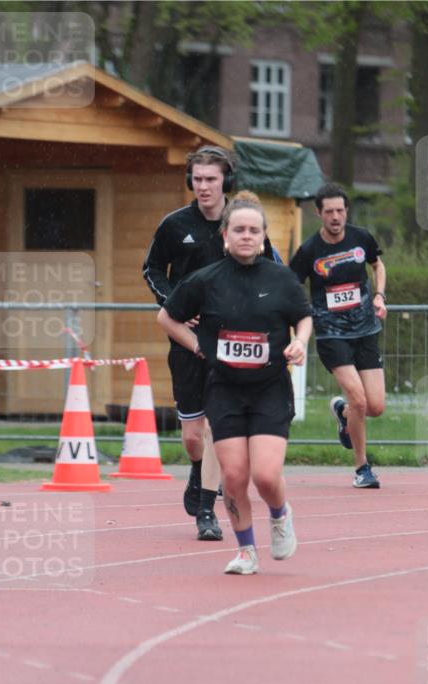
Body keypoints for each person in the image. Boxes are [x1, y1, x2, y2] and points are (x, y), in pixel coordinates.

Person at [157, 192, 312, 575]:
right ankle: (246, 551)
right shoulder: (205, 281)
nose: (246, 236)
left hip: (269, 389)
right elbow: (167, 318)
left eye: (254, 230)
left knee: (264, 474)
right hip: (224, 389)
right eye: (239, 229)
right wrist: (197, 347)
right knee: (234, 477)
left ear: (263, 236)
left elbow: (304, 316)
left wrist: (299, 342)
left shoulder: (280, 278)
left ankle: (279, 514)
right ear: (225, 235)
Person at [290, 183, 387, 489]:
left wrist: (380, 295)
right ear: (318, 213)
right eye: (329, 211)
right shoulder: (308, 251)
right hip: (332, 334)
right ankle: (362, 468)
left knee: (375, 407)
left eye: (340, 211)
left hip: (366, 329)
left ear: (347, 212)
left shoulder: (361, 238)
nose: (335, 217)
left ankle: (341, 412)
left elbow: (377, 264)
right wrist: (301, 320)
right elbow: (291, 289)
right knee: (358, 400)